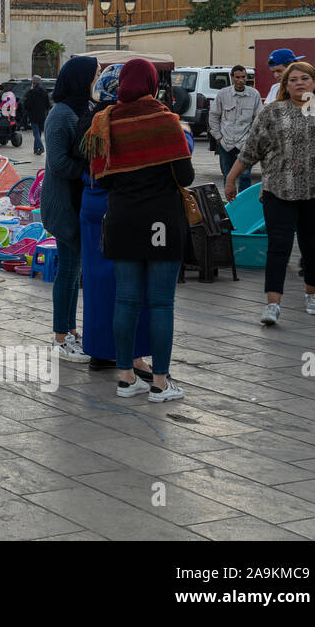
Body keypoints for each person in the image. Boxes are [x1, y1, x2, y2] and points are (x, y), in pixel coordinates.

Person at [84, 58, 193, 403]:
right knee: (161, 303)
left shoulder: (103, 122)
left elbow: (101, 173)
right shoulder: (166, 121)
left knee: (126, 300)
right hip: (161, 219)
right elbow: (186, 177)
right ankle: (160, 382)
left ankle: (126, 378)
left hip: (121, 219)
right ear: (152, 84)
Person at [227, 61, 315, 326]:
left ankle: (312, 294)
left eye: (305, 78)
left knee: (312, 246)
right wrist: (232, 177)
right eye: (293, 80)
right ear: (285, 86)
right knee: (278, 246)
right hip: (278, 191)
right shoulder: (272, 113)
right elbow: (251, 150)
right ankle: (272, 304)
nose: (299, 83)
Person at [73, 65, 155, 374]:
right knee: (130, 284)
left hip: (91, 202)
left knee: (96, 282)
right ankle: (132, 357)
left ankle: (99, 351)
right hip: (121, 205)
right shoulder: (131, 118)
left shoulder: (91, 119)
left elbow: (75, 156)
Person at [43, 55, 97, 363]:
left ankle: (71, 331)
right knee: (67, 270)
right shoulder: (60, 114)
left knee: (74, 269)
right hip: (63, 203)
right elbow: (59, 163)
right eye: (94, 76)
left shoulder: (84, 109)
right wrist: (88, 172)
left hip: (78, 201)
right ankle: (60, 338)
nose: (96, 82)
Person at [210, 64, 261, 193]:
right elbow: (214, 115)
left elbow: (259, 119)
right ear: (232, 78)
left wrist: (252, 139)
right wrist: (218, 137)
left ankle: (243, 203)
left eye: (243, 77)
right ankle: (230, 202)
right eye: (237, 77)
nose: (240, 80)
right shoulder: (223, 94)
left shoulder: (254, 94)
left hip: (245, 143)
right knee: (228, 176)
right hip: (226, 142)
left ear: (246, 78)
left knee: (245, 176)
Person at [24, 75, 51, 155]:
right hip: (42, 115)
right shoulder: (44, 92)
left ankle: (41, 147)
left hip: (33, 115)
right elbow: (48, 104)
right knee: (38, 133)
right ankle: (36, 149)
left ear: (33, 83)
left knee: (36, 133)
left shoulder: (31, 92)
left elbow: (27, 105)